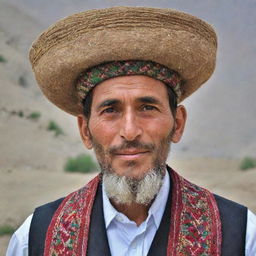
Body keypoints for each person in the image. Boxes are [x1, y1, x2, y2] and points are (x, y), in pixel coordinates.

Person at [6, 6, 256, 256]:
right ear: (85, 131)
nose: (130, 131)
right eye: (110, 110)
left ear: (177, 123)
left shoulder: (242, 238)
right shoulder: (35, 239)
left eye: (147, 107)